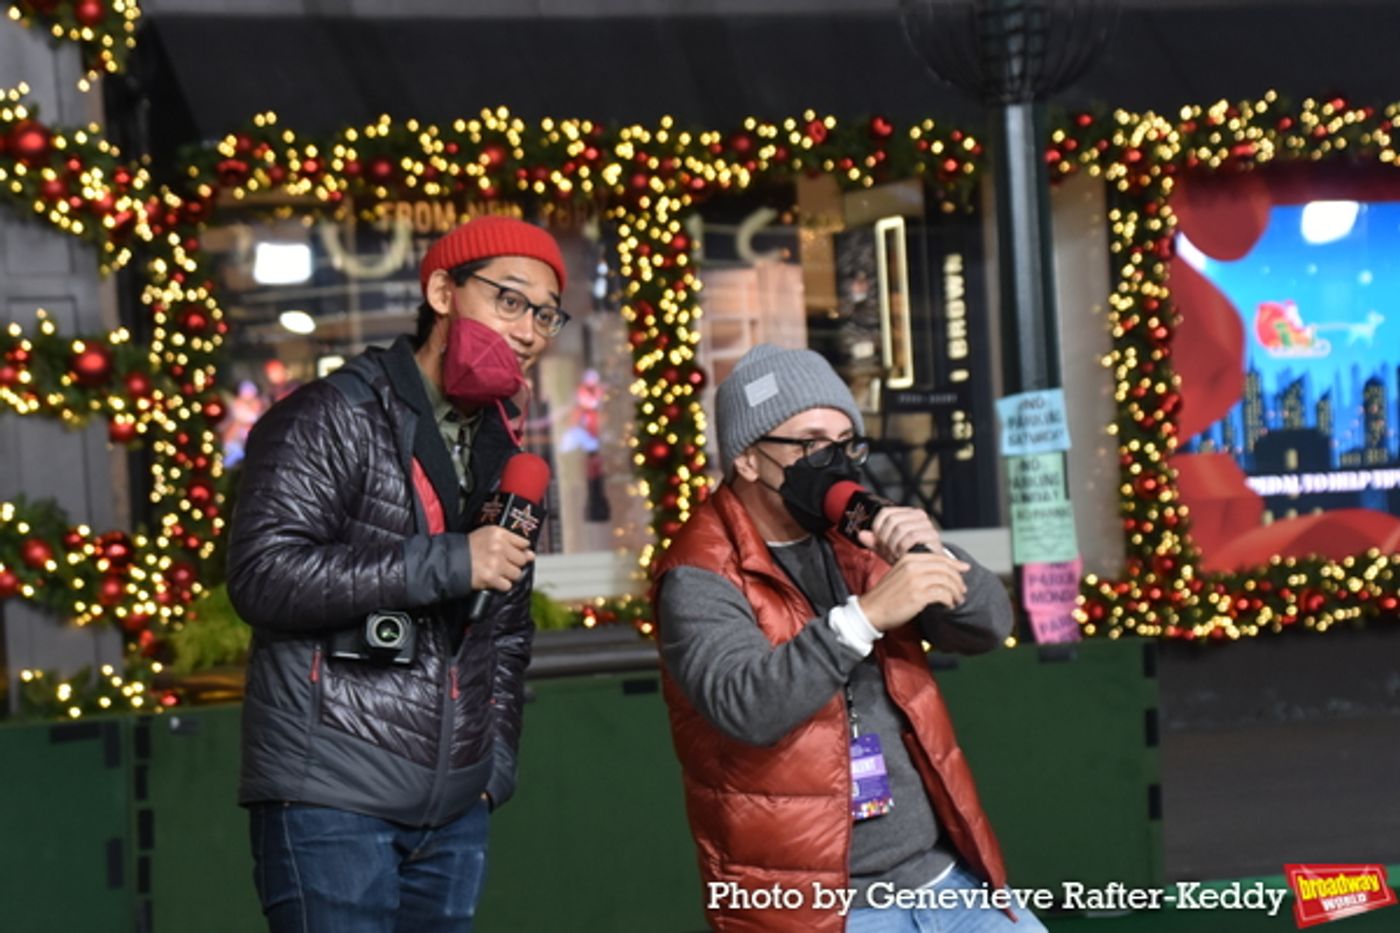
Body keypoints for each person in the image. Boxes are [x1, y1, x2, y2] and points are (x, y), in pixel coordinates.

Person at [226, 215, 570, 932]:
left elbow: (505, 634)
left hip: (454, 809)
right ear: (442, 290)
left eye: (545, 313)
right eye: (509, 300)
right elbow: (262, 574)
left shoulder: (507, 454)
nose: (530, 329)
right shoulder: (328, 416)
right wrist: (452, 558)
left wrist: (490, 771)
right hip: (330, 793)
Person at [652, 344, 1046, 932]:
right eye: (810, 444)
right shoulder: (698, 571)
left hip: (946, 879)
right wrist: (865, 617)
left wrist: (931, 552)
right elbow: (748, 706)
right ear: (749, 460)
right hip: (823, 909)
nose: (833, 461)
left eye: (845, 443)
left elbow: (989, 626)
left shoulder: (855, 535)